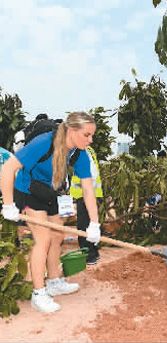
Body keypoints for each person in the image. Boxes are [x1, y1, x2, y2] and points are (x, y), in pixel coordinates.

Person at [0, 112, 101, 313]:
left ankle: (54, 281)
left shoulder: (79, 153)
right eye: (87, 135)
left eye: (92, 136)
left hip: (49, 192)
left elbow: (88, 189)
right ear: (72, 131)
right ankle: (38, 293)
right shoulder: (44, 142)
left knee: (57, 235)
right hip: (27, 190)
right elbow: (9, 168)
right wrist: (9, 204)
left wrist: (94, 223)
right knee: (43, 239)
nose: (90, 140)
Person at [70, 146, 103, 265]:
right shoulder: (89, 150)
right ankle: (94, 252)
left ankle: (89, 256)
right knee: (90, 224)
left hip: (86, 195)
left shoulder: (81, 152)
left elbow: (90, 175)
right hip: (92, 194)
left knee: (83, 227)